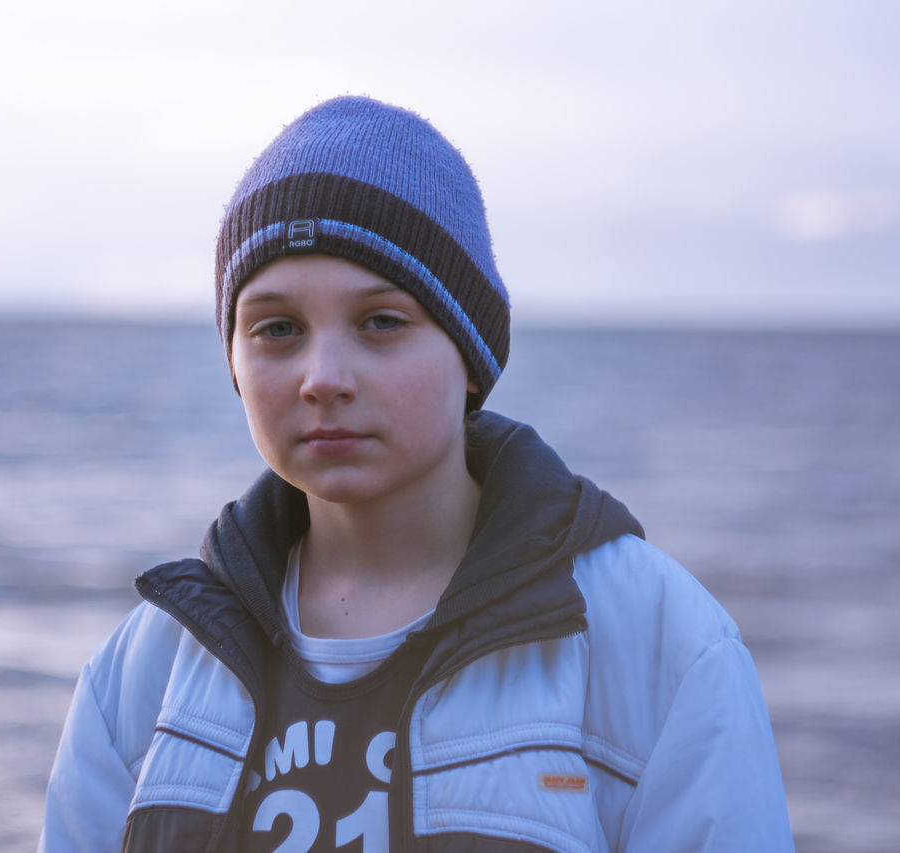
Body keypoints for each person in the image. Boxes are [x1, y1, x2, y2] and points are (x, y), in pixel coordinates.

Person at [39, 95, 794, 852]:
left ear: (470, 354)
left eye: (381, 322)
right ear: (233, 359)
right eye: (277, 328)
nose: (322, 376)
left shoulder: (658, 642)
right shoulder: (143, 670)